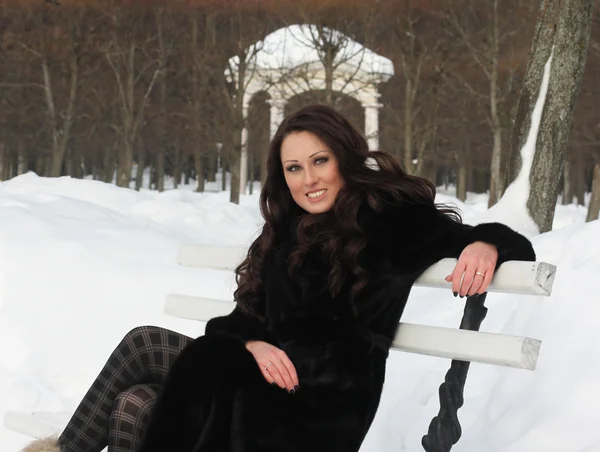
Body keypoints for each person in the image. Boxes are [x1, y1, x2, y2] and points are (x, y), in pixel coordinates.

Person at [23, 104, 535, 452]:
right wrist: (253, 347)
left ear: (344, 158)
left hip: (321, 405)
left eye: (319, 161)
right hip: (265, 381)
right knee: (137, 404)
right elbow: (243, 319)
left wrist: (486, 244)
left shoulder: (389, 219)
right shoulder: (289, 232)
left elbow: (506, 241)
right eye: (293, 169)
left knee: (151, 346)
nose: (308, 180)